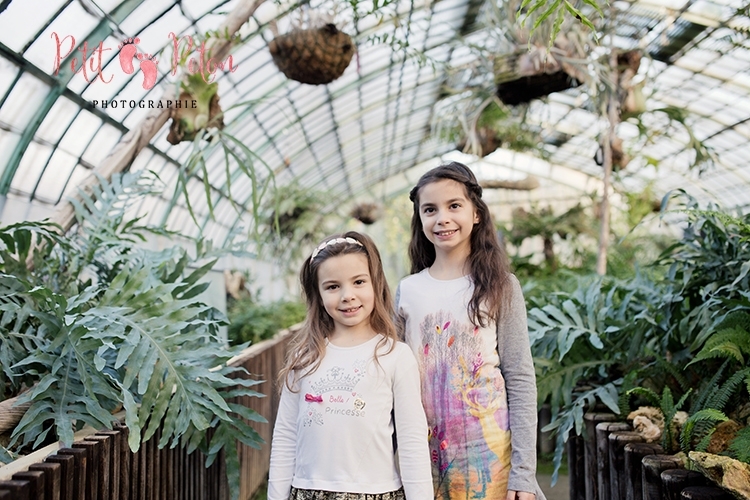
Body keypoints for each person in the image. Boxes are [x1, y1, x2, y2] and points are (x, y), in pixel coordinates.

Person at [395, 162, 545, 500]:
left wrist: (523, 474)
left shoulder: (501, 286)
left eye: (454, 206)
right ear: (420, 218)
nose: (442, 218)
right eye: (430, 209)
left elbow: (520, 378)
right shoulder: (408, 291)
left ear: (476, 213)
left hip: (491, 461)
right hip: (425, 461)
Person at [268, 231, 433, 500]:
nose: (347, 295)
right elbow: (286, 436)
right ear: (318, 295)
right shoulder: (304, 357)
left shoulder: (394, 355)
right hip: (307, 491)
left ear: (376, 284)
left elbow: (412, 442)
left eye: (358, 282)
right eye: (333, 286)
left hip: (376, 492)